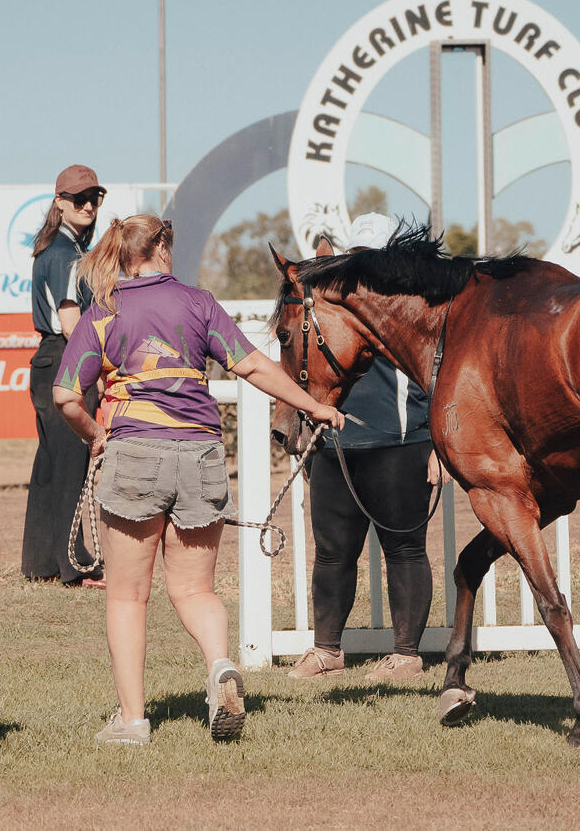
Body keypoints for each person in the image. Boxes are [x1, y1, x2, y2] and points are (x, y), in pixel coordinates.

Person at [54, 214, 342, 746]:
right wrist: (314, 407)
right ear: (162, 248)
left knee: (127, 597)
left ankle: (133, 721)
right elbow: (253, 366)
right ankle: (219, 668)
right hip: (202, 453)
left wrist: (95, 433)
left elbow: (66, 396)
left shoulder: (104, 312)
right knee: (195, 589)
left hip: (135, 452)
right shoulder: (199, 303)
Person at [287, 214, 441, 682]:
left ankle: (407, 655)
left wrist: (438, 446)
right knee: (332, 553)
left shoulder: (416, 301)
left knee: (406, 549)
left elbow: (442, 373)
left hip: (401, 440)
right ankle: (326, 651)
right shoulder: (328, 297)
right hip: (335, 442)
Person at [22, 164, 105, 587]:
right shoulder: (68, 255)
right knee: (72, 464)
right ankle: (76, 565)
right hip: (67, 358)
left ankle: (41, 563)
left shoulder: (51, 249)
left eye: (95, 198)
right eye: (80, 198)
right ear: (60, 203)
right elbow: (73, 323)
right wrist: (100, 366)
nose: (89, 205)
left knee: (50, 467)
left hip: (47, 361)